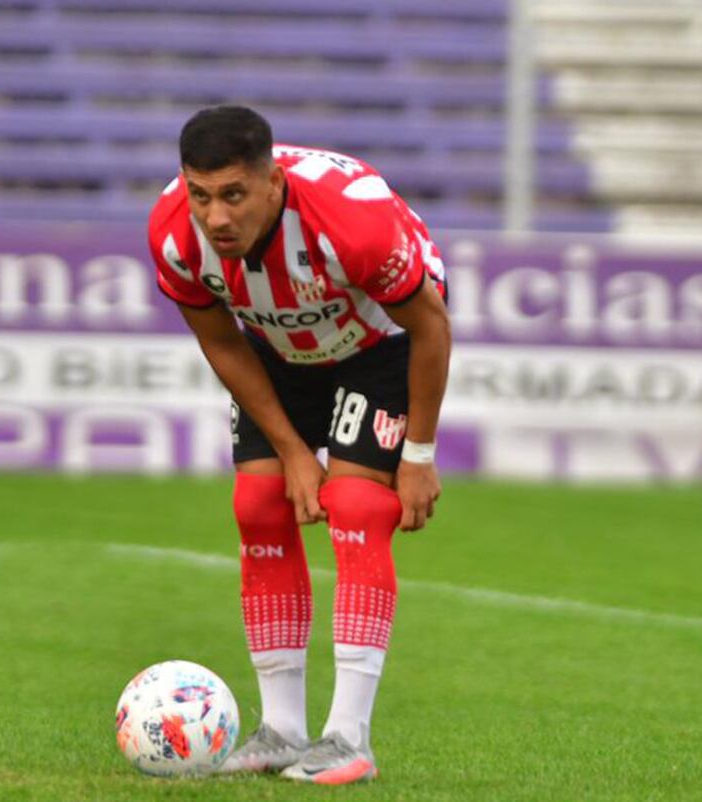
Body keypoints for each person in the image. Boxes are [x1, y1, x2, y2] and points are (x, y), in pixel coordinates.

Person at [147, 105, 451, 785]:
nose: (215, 216)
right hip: (277, 351)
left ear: (272, 183)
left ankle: (349, 740)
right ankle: (282, 731)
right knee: (258, 503)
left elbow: (431, 327)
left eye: (233, 195)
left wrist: (419, 457)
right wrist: (289, 450)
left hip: (379, 347)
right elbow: (221, 339)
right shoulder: (174, 235)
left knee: (354, 505)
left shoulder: (353, 225)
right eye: (201, 195)